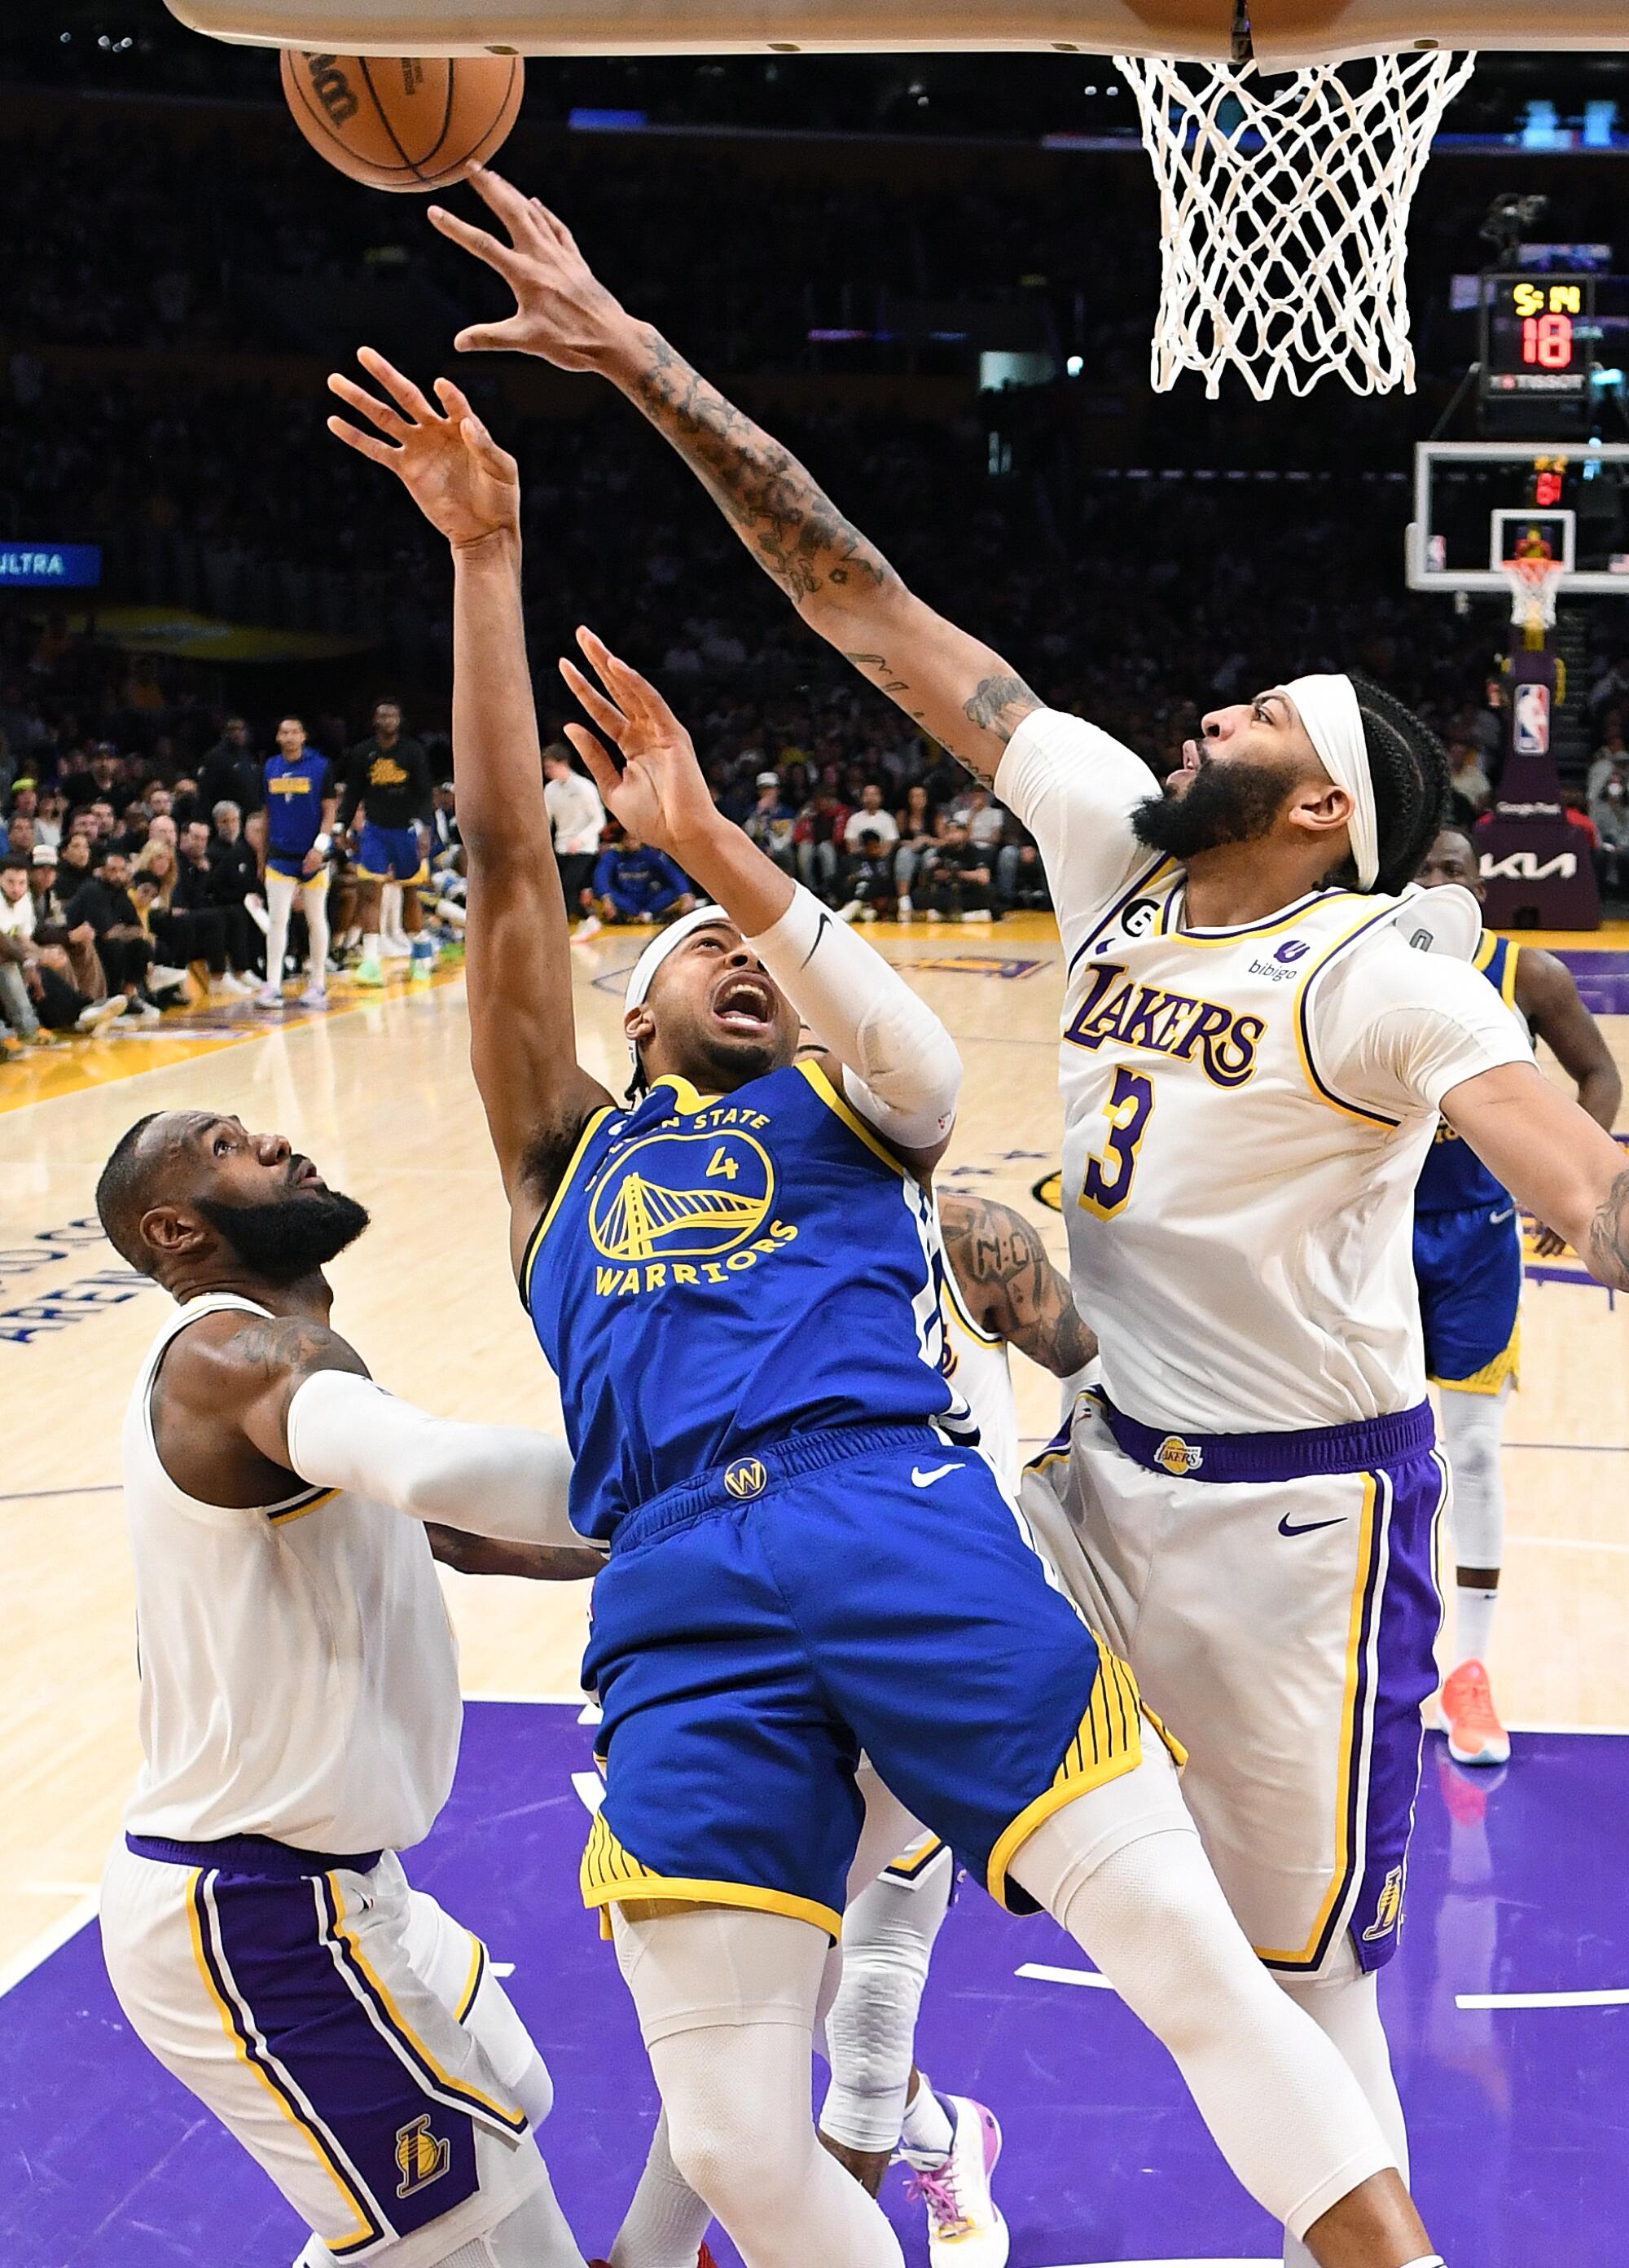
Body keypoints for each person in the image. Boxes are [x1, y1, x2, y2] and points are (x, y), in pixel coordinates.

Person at [428, 165, 1629, 2268]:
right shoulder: (1109, 842)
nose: (1210, 714)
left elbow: (1577, 1173)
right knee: (863, 1824)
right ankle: (839, 2160)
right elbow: (856, 596)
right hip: (1076, 1465)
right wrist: (634, 358)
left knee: (1285, 1992)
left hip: (1293, 1531)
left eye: (1256, 716)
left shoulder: (1382, 973)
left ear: (1330, 803)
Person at [92, 1108, 600, 2268]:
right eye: (228, 1147)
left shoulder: (293, 1372)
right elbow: (438, 1469)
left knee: (516, 2100)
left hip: (345, 1890)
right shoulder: (226, 1359)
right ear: (176, 1227)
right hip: (255, 1912)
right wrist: (714, 1466)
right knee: (484, 2235)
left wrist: (655, 1544)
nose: (273, 1142)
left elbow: (458, 1531)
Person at [1411, 828, 1621, 1765]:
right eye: (1419, 867)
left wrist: (1567, 1186)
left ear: (1479, 883)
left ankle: (1470, 1670)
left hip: (1473, 1242)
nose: (1436, 882)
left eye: (1451, 868)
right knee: (1339, 1450)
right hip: (1363, 1239)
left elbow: (1598, 1075)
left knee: (1474, 1452)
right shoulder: (1349, 961)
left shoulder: (1524, 975)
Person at [339, 699, 433, 987]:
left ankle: (420, 953)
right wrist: (343, 827)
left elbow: (424, 793)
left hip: (406, 831)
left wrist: (423, 829)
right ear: (375, 721)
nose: (388, 720)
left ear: (400, 720)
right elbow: (353, 791)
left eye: (393, 715)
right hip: (375, 831)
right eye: (383, 715)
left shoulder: (413, 751)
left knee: (409, 893)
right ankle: (370, 962)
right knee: (370, 893)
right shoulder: (362, 752)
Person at [257, 715, 334, 1011]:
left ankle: (317, 983)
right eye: (283, 732)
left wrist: (319, 848)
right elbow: (266, 815)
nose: (289, 737)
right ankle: (273, 984)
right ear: (278, 738)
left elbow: (329, 811)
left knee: (316, 919)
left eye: (294, 732)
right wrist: (262, 857)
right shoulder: (270, 768)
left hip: (312, 857)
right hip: (279, 855)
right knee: (277, 920)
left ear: (303, 736)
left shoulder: (320, 767)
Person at [64, 842, 158, 1020]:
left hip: (105, 943)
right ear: (101, 871)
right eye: (112, 870)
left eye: (122, 870)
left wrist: (121, 930)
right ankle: (113, 998)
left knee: (142, 946)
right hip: (81, 946)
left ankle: (127, 995)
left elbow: (139, 929)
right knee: (113, 945)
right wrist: (123, 930)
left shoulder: (120, 892)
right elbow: (106, 934)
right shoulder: (93, 889)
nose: (117, 875)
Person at [543, 741, 608, 940]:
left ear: (563, 763)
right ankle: (585, 921)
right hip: (561, 847)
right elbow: (546, 819)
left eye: (550, 766)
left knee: (570, 888)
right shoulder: (550, 790)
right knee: (561, 890)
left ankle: (590, 921)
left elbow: (599, 819)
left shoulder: (584, 787)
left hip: (584, 848)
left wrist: (580, 839)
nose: (547, 771)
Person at [591, 832, 696, 926]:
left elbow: (673, 873)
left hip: (649, 899)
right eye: (628, 839)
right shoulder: (613, 855)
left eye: (634, 839)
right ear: (622, 840)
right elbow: (601, 876)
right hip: (625, 899)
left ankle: (648, 915)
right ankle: (632, 916)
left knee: (675, 892)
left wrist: (685, 894)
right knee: (598, 894)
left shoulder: (652, 854)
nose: (631, 842)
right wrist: (605, 897)